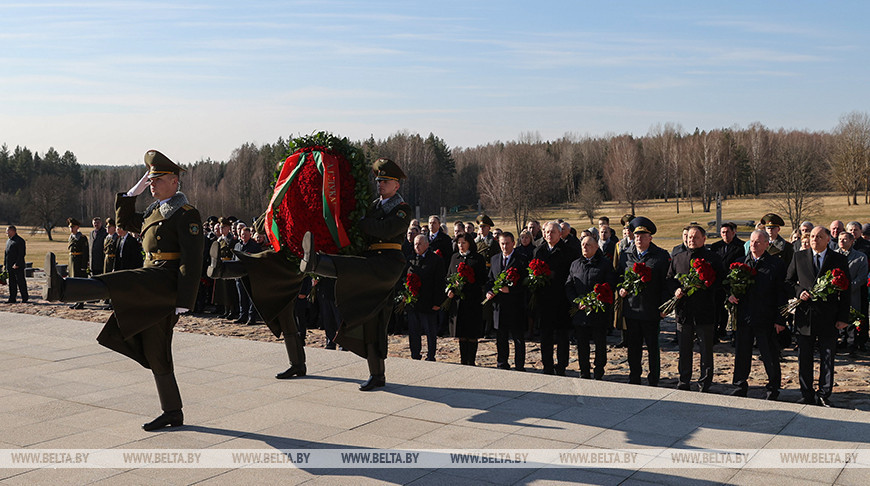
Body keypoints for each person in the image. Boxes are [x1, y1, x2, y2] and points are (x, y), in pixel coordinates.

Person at [44, 150, 203, 431]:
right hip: (153, 279)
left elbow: (193, 259)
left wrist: (184, 300)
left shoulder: (186, 214)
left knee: (122, 281)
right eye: (149, 180)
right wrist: (133, 192)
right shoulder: (156, 211)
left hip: (165, 282)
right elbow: (125, 223)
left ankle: (64, 288)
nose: (151, 184)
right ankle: (172, 411)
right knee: (157, 351)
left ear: (175, 181)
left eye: (157, 179)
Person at [300, 157, 412, 391]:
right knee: (372, 319)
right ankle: (377, 375)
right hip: (371, 261)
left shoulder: (402, 209)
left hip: (387, 265)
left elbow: (386, 229)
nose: (380, 184)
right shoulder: (372, 206)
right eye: (378, 180)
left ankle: (316, 262)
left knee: (352, 268)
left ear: (396, 186)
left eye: (385, 181)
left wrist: (363, 223)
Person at [785, 226, 850, 407]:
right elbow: (788, 281)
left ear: (828, 239)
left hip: (829, 316)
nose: (814, 239)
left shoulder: (838, 259)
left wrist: (843, 317)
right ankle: (806, 394)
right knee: (804, 358)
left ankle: (824, 394)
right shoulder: (799, 257)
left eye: (819, 236)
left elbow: (846, 290)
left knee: (827, 358)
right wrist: (799, 292)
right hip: (805, 317)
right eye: (812, 236)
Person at [728, 230, 787, 400]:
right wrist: (730, 296)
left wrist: (780, 319)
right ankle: (739, 385)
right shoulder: (740, 263)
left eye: (758, 242)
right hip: (744, 317)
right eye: (752, 241)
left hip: (766, 318)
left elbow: (781, 294)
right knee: (742, 353)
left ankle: (773, 388)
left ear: (767, 244)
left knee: (770, 355)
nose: (754, 245)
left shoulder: (775, 265)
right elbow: (729, 287)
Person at [666, 225, 725, 392]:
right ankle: (684, 380)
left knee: (705, 350)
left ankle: (705, 382)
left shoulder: (713, 258)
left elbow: (721, 281)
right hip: (684, 312)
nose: (691, 240)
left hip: (704, 311)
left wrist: (706, 284)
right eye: (689, 237)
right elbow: (670, 278)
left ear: (704, 239)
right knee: (684, 349)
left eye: (695, 237)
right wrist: (675, 289)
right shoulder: (678, 257)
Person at [617, 217, 670, 386]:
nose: (639, 238)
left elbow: (666, 284)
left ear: (650, 237)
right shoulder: (626, 255)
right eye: (637, 235)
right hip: (632, 309)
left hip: (651, 310)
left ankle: (654, 379)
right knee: (633, 347)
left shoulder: (660, 256)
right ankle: (634, 377)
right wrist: (620, 289)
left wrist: (663, 307)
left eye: (643, 235)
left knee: (653, 348)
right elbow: (618, 278)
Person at [566, 235, 617, 379]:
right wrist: (577, 302)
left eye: (588, 244)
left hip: (598, 313)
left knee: (600, 343)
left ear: (596, 247)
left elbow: (609, 285)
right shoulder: (575, 264)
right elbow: (569, 286)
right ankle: (584, 371)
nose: (584, 247)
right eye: (583, 244)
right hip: (581, 313)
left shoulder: (605, 264)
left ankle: (599, 370)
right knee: (582, 344)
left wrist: (595, 300)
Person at [532, 221, 578, 375]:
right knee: (545, 335)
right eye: (546, 232)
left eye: (552, 232)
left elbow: (571, 276)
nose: (549, 235)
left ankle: (561, 365)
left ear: (560, 234)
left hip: (561, 300)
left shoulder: (569, 252)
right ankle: (547, 365)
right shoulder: (539, 251)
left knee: (562, 335)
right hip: (544, 300)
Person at [485, 231, 529, 371]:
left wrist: (511, 290)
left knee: (518, 337)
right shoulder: (495, 259)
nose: (504, 247)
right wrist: (489, 291)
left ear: (513, 243)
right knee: (501, 337)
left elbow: (525, 283)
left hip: (515, 305)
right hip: (499, 306)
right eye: (502, 244)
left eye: (507, 244)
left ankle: (519, 365)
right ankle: (502, 363)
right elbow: (490, 279)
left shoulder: (521, 259)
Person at [447, 233, 487, 365]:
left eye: (463, 243)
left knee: (472, 333)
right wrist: (451, 289)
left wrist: (469, 282)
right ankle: (463, 360)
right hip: (459, 301)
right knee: (462, 333)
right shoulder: (454, 257)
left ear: (469, 243)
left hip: (473, 300)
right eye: (459, 243)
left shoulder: (477, 258)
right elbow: (449, 277)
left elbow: (482, 279)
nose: (461, 245)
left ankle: (471, 360)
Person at [404, 235, 445, 361]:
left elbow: (439, 283)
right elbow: (404, 279)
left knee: (430, 331)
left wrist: (438, 302)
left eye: (420, 244)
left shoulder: (435, 260)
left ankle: (431, 355)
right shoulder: (410, 259)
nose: (417, 246)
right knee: (414, 331)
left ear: (427, 245)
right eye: (415, 244)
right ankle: (415, 354)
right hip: (414, 303)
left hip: (429, 302)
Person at [711, 222, 746, 339]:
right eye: (723, 232)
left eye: (727, 232)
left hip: (733, 282)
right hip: (718, 282)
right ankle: (717, 331)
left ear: (733, 232)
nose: (725, 234)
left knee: (732, 309)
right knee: (717, 308)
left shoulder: (740, 246)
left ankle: (733, 332)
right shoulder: (716, 246)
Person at [835, 231, 867, 353]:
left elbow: (862, 277)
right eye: (839, 239)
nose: (841, 242)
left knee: (852, 319)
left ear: (852, 241)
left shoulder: (860, 257)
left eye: (844, 239)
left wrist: (848, 288)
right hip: (836, 293)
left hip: (853, 293)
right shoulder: (833, 255)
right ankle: (840, 342)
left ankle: (852, 345)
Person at [233, 226, 261, 324]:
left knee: (251, 298)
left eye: (245, 234)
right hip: (239, 276)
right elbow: (234, 259)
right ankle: (242, 316)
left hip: (250, 276)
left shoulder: (255, 246)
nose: (243, 236)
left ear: (250, 235)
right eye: (242, 234)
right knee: (242, 297)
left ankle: (251, 317)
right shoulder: (237, 246)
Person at [66, 217, 89, 309]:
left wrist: (84, 266)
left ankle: (81, 302)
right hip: (72, 262)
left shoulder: (82, 238)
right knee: (73, 283)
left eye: (73, 227)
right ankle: (76, 300)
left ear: (77, 227)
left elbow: (85, 253)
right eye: (70, 227)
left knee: (79, 283)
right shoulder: (70, 237)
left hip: (79, 263)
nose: (71, 229)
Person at [4, 226, 28, 303]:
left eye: (7, 231)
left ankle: (24, 298)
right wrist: (5, 264)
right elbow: (6, 253)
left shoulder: (19, 241)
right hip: (10, 266)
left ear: (12, 231)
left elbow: (21, 254)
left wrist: (17, 263)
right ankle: (12, 298)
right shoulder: (8, 241)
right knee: (11, 283)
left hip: (18, 266)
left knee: (21, 282)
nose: (6, 233)